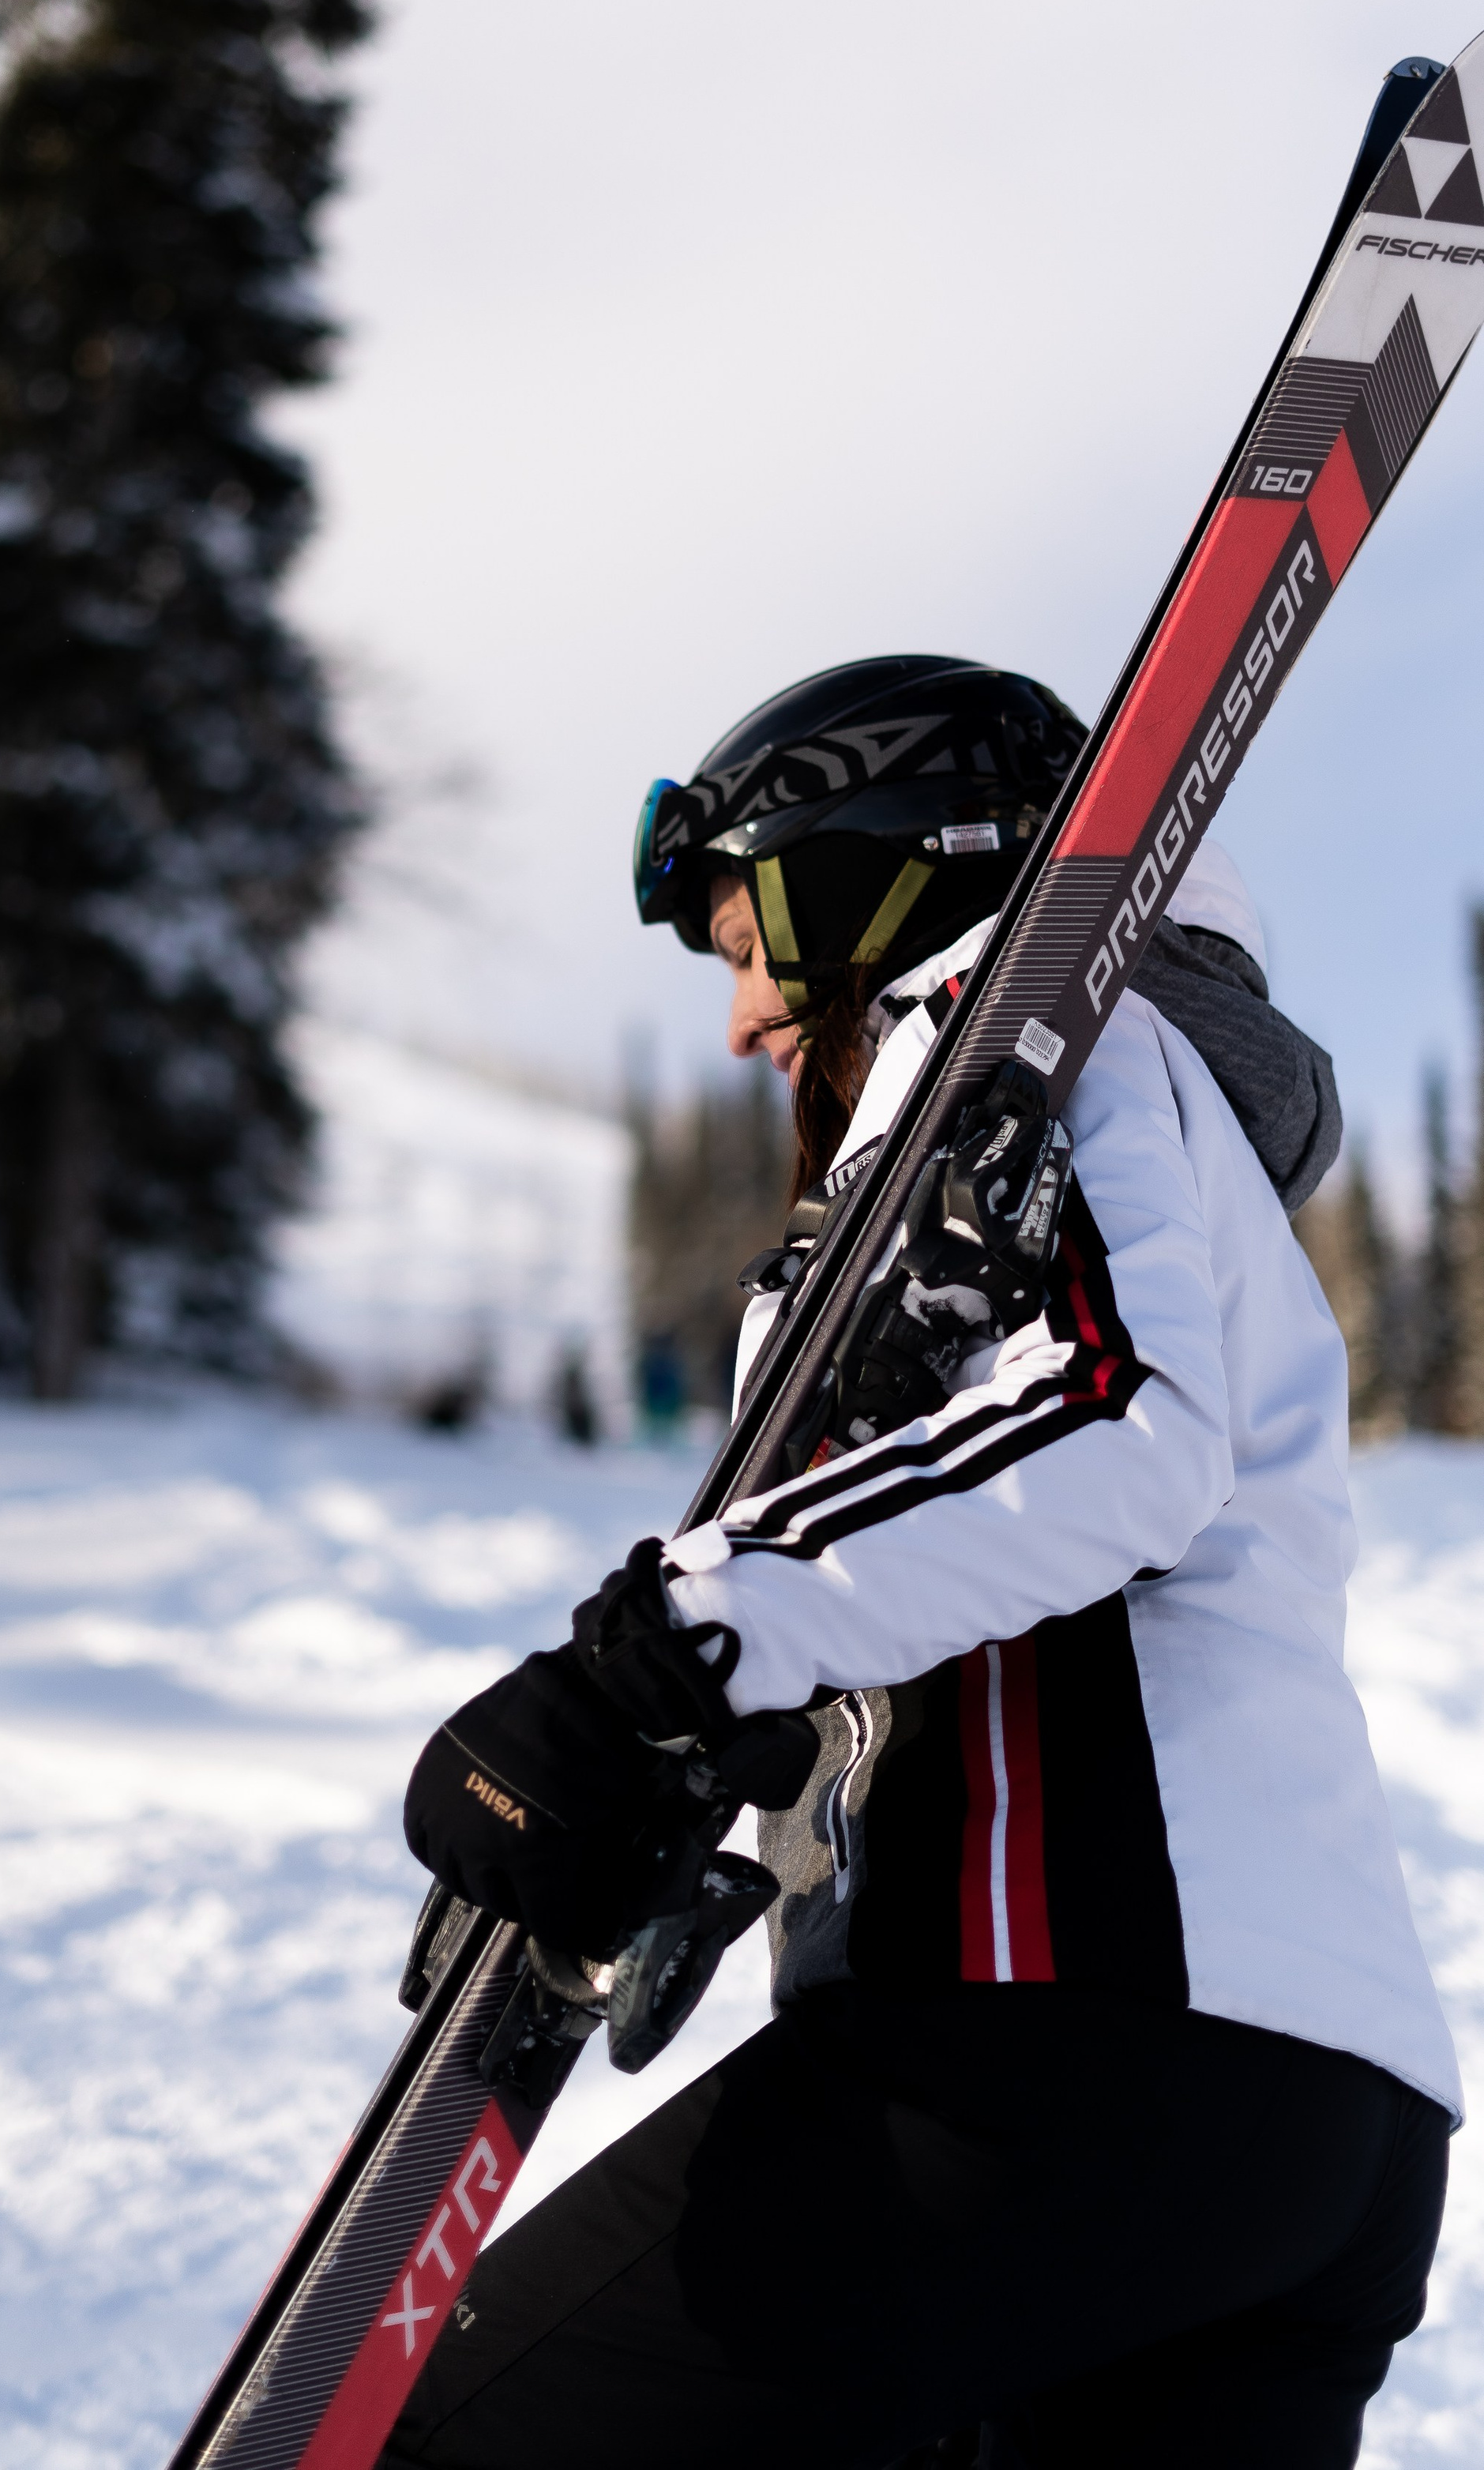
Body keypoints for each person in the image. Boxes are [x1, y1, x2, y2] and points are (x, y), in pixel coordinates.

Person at [390, 655, 1455, 2470]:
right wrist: (716, 1764)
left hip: (1071, 2054)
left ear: (868, 871)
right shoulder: (1116, 1135)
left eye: (743, 940)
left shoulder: (1040, 1046)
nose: (736, 1024)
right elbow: (1013, 1556)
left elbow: (1113, 1420)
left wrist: (661, 1656)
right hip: (1312, 2125)